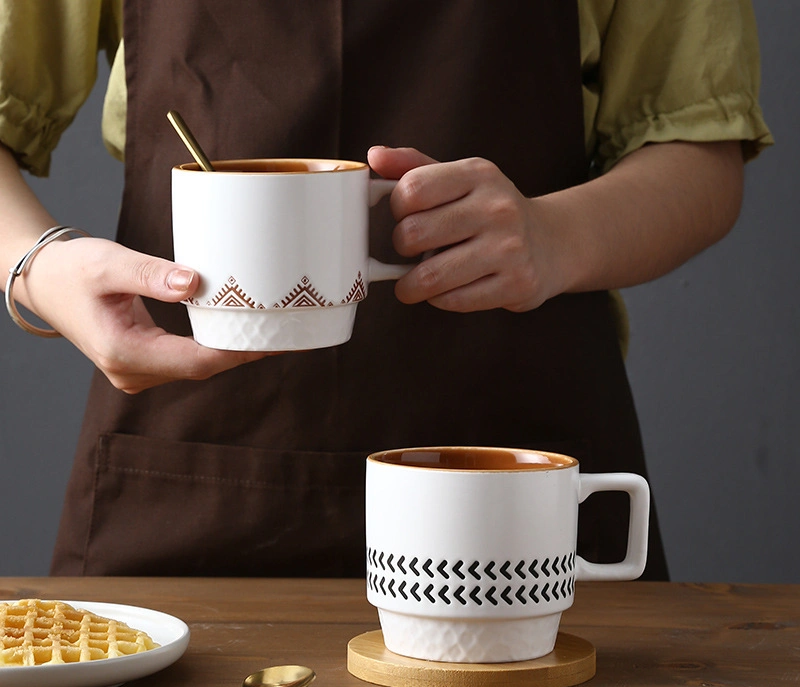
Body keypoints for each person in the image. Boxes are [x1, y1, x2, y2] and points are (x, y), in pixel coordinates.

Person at [0, 1, 772, 578]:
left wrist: (556, 236)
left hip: (516, 495)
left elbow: (698, 144)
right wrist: (40, 265)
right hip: (182, 489)